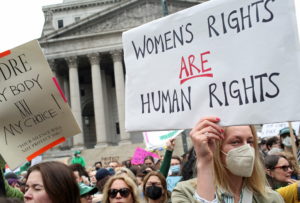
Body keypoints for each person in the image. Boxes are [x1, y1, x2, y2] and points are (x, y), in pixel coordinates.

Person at [172, 116, 284, 202]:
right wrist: (205, 160)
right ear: (216, 148)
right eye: (235, 142)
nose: (247, 148)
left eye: (250, 141)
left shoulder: (271, 198)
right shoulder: (186, 192)